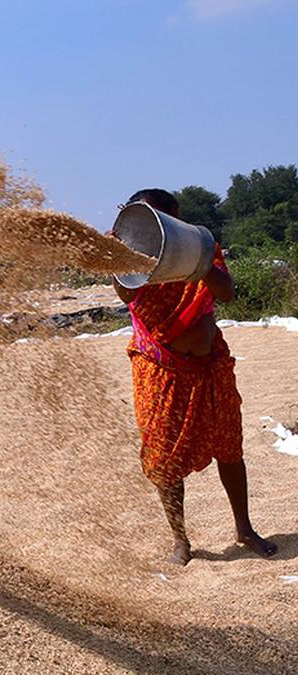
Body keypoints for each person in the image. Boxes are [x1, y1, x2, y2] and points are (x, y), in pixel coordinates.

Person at [113, 188, 276, 565]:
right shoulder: (128, 261)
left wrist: (198, 261)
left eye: (160, 221)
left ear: (175, 218)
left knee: (229, 446)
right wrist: (117, 254)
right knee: (164, 455)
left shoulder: (200, 246)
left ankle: (244, 529)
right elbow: (125, 293)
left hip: (210, 365)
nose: (155, 232)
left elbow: (227, 292)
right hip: (161, 369)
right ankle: (180, 540)